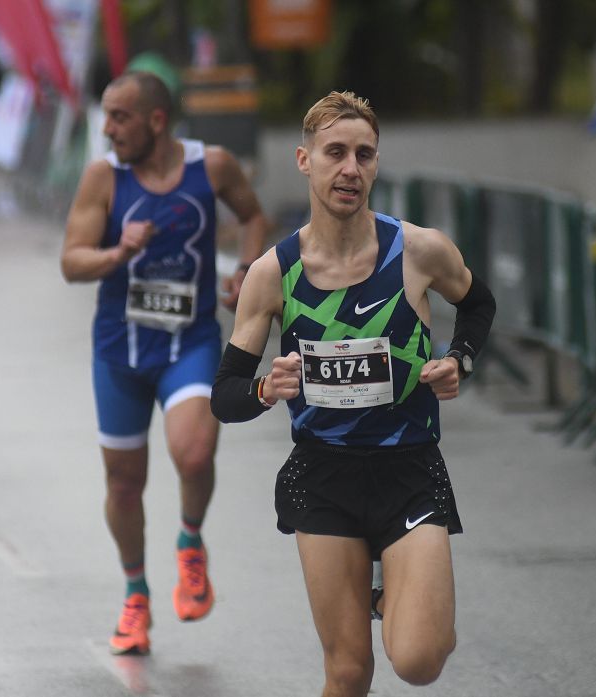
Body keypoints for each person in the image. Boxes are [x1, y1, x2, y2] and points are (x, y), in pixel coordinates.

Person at [211, 91, 496, 696]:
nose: (351, 169)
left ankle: (397, 592)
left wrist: (458, 362)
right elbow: (225, 395)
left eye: (364, 155)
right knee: (347, 672)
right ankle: (381, 587)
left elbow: (477, 304)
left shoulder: (417, 251)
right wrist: (266, 387)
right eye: (335, 153)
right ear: (304, 160)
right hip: (323, 477)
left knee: (419, 659)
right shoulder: (273, 274)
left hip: (408, 470)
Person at [60, 70, 268, 656]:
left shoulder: (213, 166)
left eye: (118, 116)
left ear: (155, 121)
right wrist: (118, 251)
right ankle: (135, 595)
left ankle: (191, 541)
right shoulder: (104, 176)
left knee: (195, 451)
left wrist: (247, 269)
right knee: (124, 483)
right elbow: (71, 261)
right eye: (105, 115)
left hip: (189, 342)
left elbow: (253, 216)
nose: (107, 128)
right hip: (120, 351)